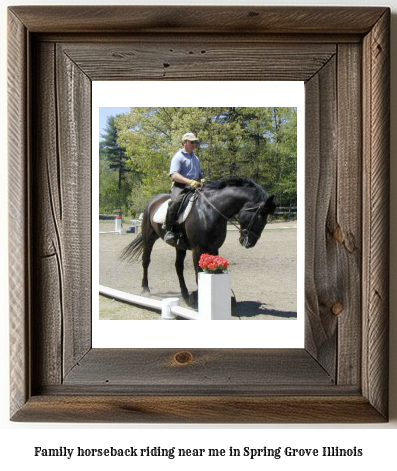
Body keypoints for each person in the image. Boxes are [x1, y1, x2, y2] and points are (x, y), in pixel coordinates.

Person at [164, 132, 204, 246]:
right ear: (185, 143)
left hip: (195, 187)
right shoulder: (178, 156)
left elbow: (199, 174)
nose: (194, 144)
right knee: (175, 202)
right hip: (180, 187)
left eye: (195, 142)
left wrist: (202, 180)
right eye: (192, 142)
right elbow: (174, 175)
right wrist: (189, 181)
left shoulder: (195, 158)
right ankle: (169, 230)